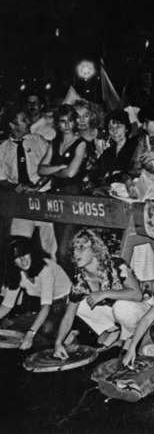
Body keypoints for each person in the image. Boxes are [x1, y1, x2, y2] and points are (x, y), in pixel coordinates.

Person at [52, 228, 150, 358]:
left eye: (81, 248)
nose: (76, 253)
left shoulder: (116, 265)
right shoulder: (80, 277)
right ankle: (115, 330)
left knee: (121, 307)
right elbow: (69, 314)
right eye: (74, 249)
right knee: (80, 305)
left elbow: (137, 295)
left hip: (142, 309)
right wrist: (58, 343)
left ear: (95, 249)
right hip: (117, 313)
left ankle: (130, 338)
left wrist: (105, 293)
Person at [0, 106, 57, 259]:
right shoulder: (3, 149)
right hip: (22, 203)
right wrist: (16, 187)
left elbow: (52, 166)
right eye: (23, 120)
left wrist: (38, 186)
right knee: (19, 246)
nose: (28, 122)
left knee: (49, 248)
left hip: (44, 198)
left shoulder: (38, 140)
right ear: (12, 125)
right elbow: (2, 179)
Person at [0, 237, 71, 350]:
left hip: (65, 302)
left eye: (25, 254)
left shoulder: (45, 269)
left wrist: (30, 334)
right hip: (46, 303)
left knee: (47, 329)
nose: (23, 260)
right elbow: (7, 305)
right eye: (17, 257)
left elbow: (46, 307)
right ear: (12, 261)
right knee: (9, 325)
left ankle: (70, 333)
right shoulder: (16, 274)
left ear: (32, 253)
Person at [38, 104, 88, 194]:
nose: (67, 124)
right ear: (58, 123)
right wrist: (60, 167)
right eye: (63, 121)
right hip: (55, 190)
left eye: (70, 120)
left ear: (74, 122)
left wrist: (51, 171)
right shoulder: (54, 143)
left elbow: (70, 173)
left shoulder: (81, 143)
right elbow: (41, 169)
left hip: (74, 193)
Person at [88, 110, 138, 188]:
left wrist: (111, 177)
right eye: (110, 128)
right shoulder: (107, 153)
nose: (114, 131)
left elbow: (133, 172)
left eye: (118, 127)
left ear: (126, 128)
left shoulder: (135, 147)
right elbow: (94, 173)